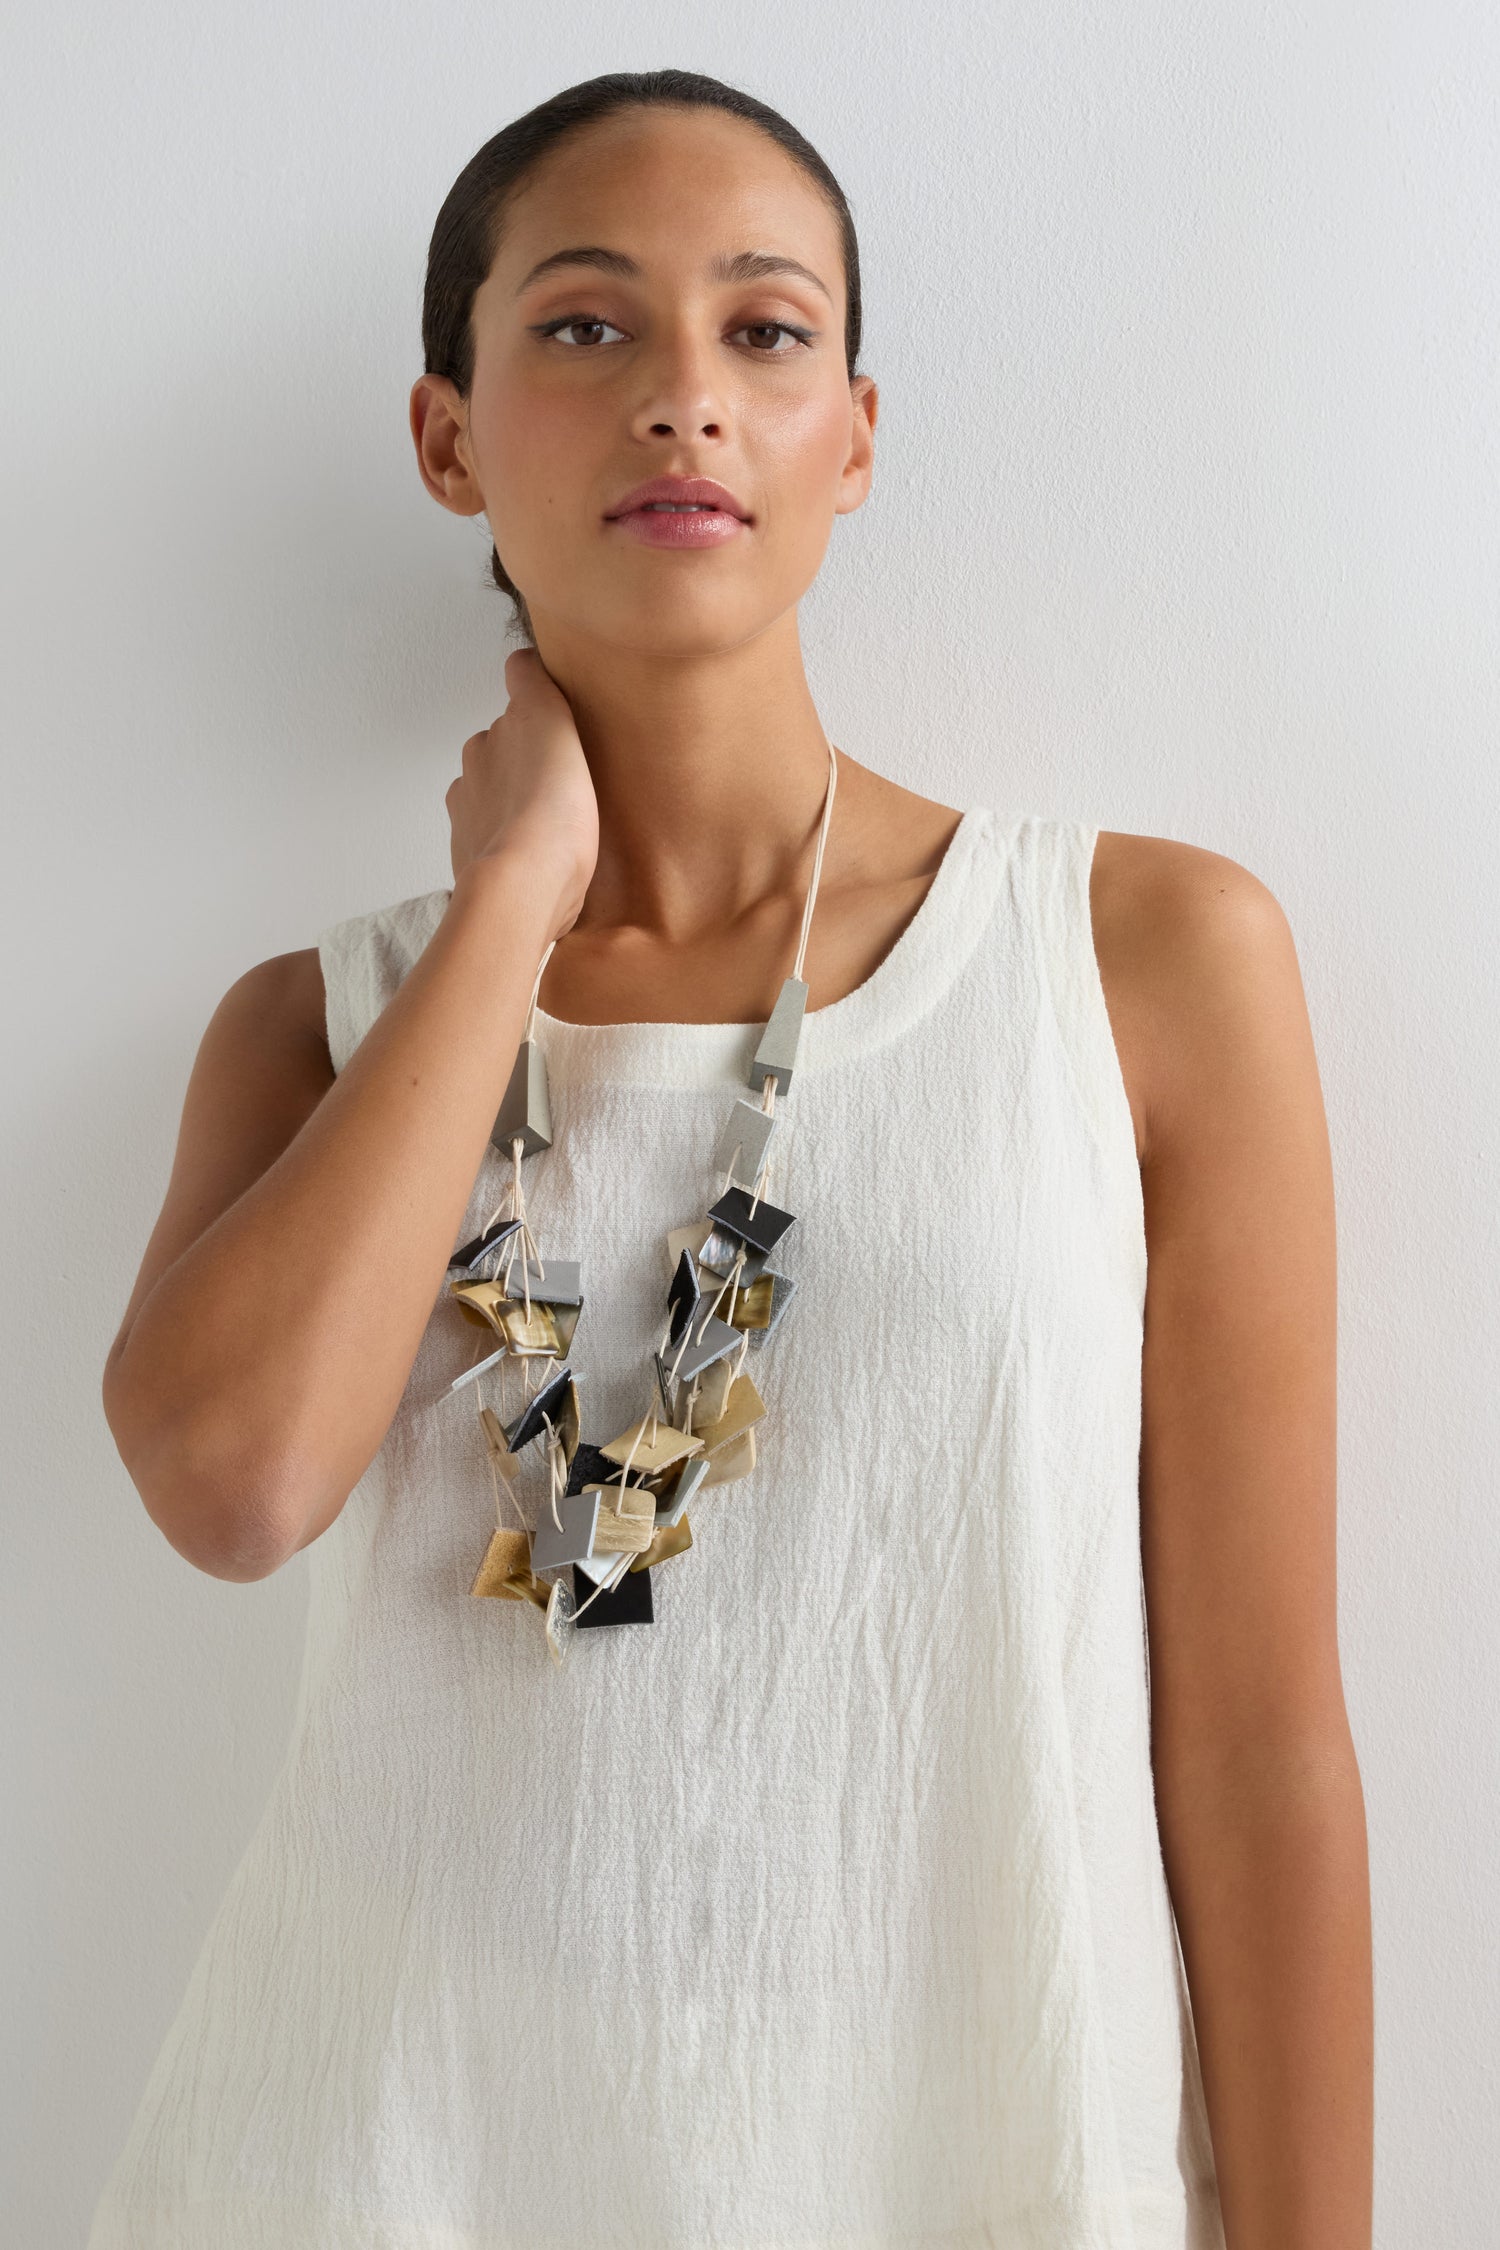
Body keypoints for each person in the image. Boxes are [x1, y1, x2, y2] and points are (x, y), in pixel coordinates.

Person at [88, 67, 1372, 2250]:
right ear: (448, 437)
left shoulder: (1136, 959)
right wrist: (510, 901)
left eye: (764, 330)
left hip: (973, 2180)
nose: (683, 392)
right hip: (376, 2177)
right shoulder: (318, 1026)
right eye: (586, 325)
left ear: (850, 437)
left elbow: (1258, 1753)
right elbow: (232, 1486)